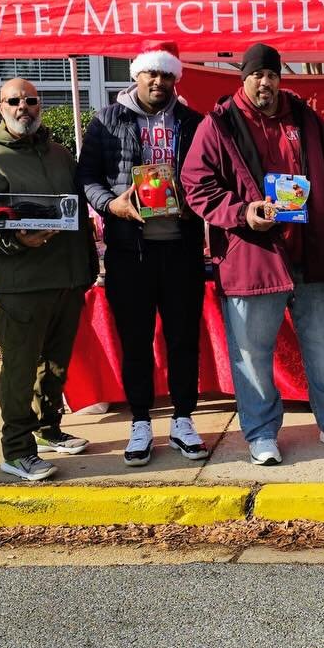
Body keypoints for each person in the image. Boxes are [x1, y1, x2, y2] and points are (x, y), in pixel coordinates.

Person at [181, 43, 324, 466]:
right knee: (252, 355)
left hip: (311, 256)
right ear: (243, 78)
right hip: (252, 259)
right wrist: (242, 212)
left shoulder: (306, 119)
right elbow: (196, 185)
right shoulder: (219, 124)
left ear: (280, 79)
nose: (264, 82)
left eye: (271, 75)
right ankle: (262, 433)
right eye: (256, 75)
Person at [78, 40, 208, 467]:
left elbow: (209, 175)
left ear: (175, 79)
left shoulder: (192, 121)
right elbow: (87, 176)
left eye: (167, 74)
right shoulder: (107, 119)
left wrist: (195, 203)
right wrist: (111, 204)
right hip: (129, 252)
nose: (158, 81)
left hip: (182, 249)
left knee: (183, 339)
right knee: (135, 340)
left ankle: (184, 418)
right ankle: (140, 421)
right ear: (137, 74)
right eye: (152, 73)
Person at [0, 78, 98, 482]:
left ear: (40, 106)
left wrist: (87, 267)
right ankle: (17, 450)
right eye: (14, 101)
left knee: (55, 365)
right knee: (20, 370)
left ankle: (47, 429)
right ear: (1, 107)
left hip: (68, 279)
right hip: (23, 284)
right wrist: (15, 241)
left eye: (31, 100)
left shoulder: (60, 155)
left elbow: (78, 213)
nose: (23, 107)